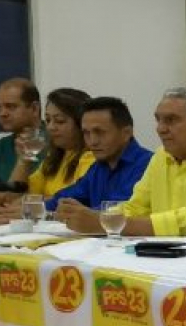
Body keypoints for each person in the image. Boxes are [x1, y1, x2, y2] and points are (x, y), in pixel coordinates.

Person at [58, 88, 186, 241]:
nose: (160, 129)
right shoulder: (161, 156)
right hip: (171, 256)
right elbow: (135, 207)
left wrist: (101, 223)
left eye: (171, 120)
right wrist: (92, 217)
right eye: (158, 120)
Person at [0, 88, 95, 225]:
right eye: (48, 120)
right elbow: (18, 195)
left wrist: (28, 207)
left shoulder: (90, 158)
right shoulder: (54, 158)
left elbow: (71, 203)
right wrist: (24, 160)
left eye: (59, 121)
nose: (51, 127)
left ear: (82, 124)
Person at [50, 97, 154, 229]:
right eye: (86, 133)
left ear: (126, 133)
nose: (92, 141)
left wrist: (84, 216)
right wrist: (38, 207)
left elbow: (121, 208)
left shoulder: (148, 164)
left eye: (99, 132)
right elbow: (66, 198)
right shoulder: (98, 167)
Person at [0, 77, 42, 183]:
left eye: (11, 106)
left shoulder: (57, 142)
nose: (2, 113)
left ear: (34, 108)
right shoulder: (0, 147)